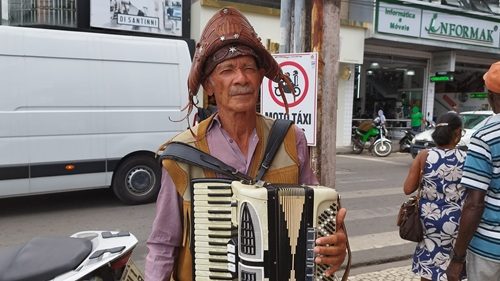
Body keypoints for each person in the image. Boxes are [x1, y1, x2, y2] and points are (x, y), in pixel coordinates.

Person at [145, 7, 348, 281]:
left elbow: (316, 217)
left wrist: (335, 245)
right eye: (227, 70)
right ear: (209, 85)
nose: (241, 78)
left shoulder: (290, 139)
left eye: (248, 68)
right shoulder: (182, 154)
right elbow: (162, 244)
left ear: (260, 78)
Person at [446, 61, 500, 281]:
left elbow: (474, 203)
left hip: (490, 250)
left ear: (491, 95)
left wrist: (458, 258)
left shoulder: (485, 135)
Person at [404, 111, 467, 281]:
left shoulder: (424, 155)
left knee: (429, 269)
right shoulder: (466, 158)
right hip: (456, 223)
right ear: (457, 133)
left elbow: (408, 188)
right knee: (454, 270)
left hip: (429, 223)